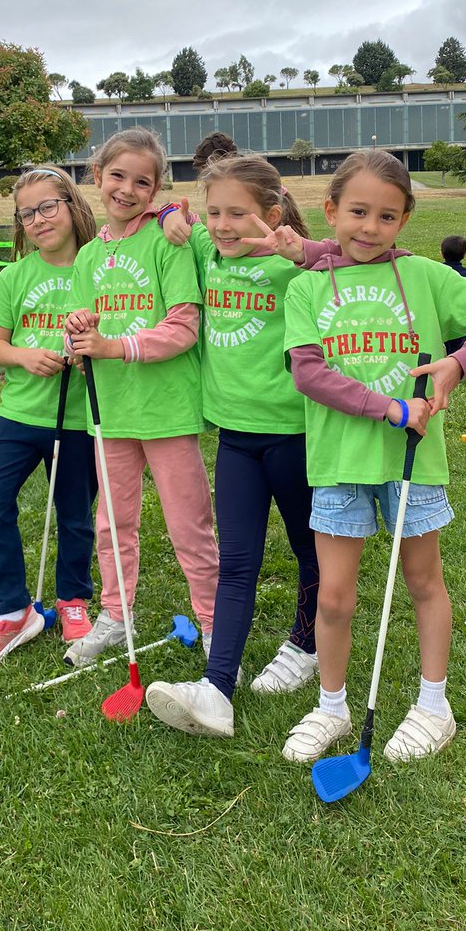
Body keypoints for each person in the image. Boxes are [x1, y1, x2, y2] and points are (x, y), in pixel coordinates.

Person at [280, 149, 466, 766]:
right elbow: (309, 374)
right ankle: (332, 706)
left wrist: (457, 361)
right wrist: (388, 408)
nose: (369, 227)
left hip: (413, 463)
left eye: (387, 216)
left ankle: (433, 705)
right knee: (333, 597)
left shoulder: (424, 277)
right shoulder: (307, 285)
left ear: (405, 220)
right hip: (338, 461)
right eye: (358, 212)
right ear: (331, 211)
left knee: (422, 581)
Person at [144, 155, 330, 739]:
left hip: (295, 436)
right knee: (238, 563)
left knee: (311, 551)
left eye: (239, 214)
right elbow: (160, 212)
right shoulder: (205, 251)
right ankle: (216, 688)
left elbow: (350, 256)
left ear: (272, 216)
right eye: (215, 212)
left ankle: (307, 644)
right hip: (235, 438)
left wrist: (295, 248)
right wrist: (174, 213)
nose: (224, 226)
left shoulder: (294, 269)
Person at [64, 127, 219, 665]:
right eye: (117, 176)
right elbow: (82, 330)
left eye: (142, 182)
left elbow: (183, 327)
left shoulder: (166, 239)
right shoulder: (87, 256)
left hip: (167, 410)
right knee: (111, 522)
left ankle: (216, 628)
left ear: (156, 190)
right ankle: (114, 614)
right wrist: (79, 330)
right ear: (96, 176)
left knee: (188, 526)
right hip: (110, 412)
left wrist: (112, 346)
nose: (127, 190)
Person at [0, 167, 99, 665]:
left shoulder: (98, 266)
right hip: (20, 414)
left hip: (78, 414)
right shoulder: (16, 275)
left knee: (73, 513)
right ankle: (12, 610)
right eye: (28, 213)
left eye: (49, 206)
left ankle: (72, 599)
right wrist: (25, 356)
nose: (40, 219)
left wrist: (92, 353)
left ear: (72, 206)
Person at [439, 235, 466, 357]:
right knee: (462, 345)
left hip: (443, 316)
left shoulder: (437, 272)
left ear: (441, 253)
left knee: (445, 343)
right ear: (465, 254)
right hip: (464, 317)